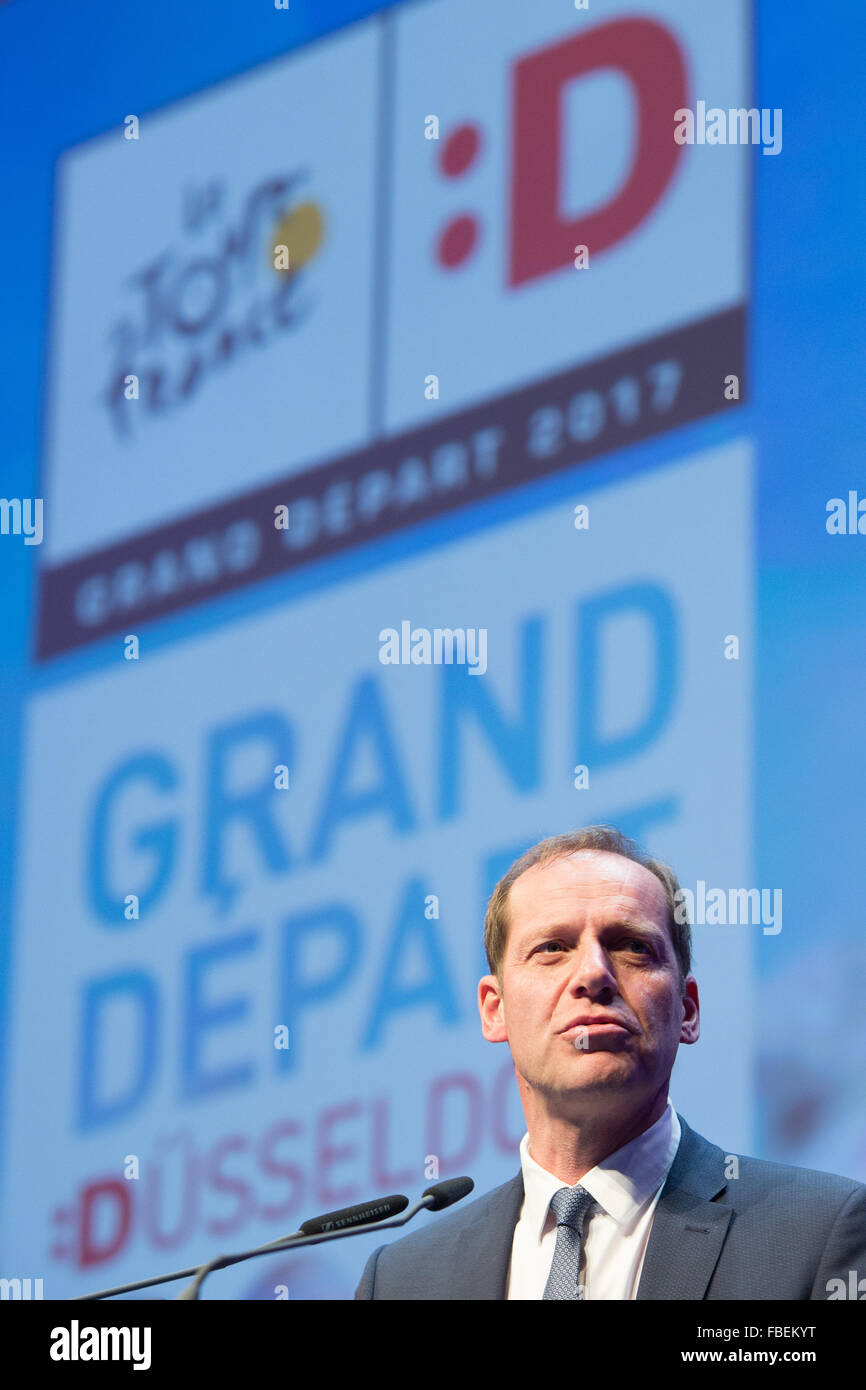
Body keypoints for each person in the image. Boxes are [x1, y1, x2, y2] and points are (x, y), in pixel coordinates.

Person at [355, 826, 866, 1300]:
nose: (593, 974)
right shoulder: (402, 1280)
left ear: (687, 1011)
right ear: (495, 1010)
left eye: (631, 947)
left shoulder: (817, 1234)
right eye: (552, 948)